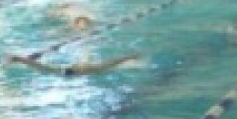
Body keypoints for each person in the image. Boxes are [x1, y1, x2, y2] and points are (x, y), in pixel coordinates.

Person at [8, 53, 139, 76]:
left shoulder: (91, 69)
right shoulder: (92, 69)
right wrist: (19, 59)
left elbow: (37, 65)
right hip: (69, 72)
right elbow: (37, 65)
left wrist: (19, 59)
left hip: (68, 72)